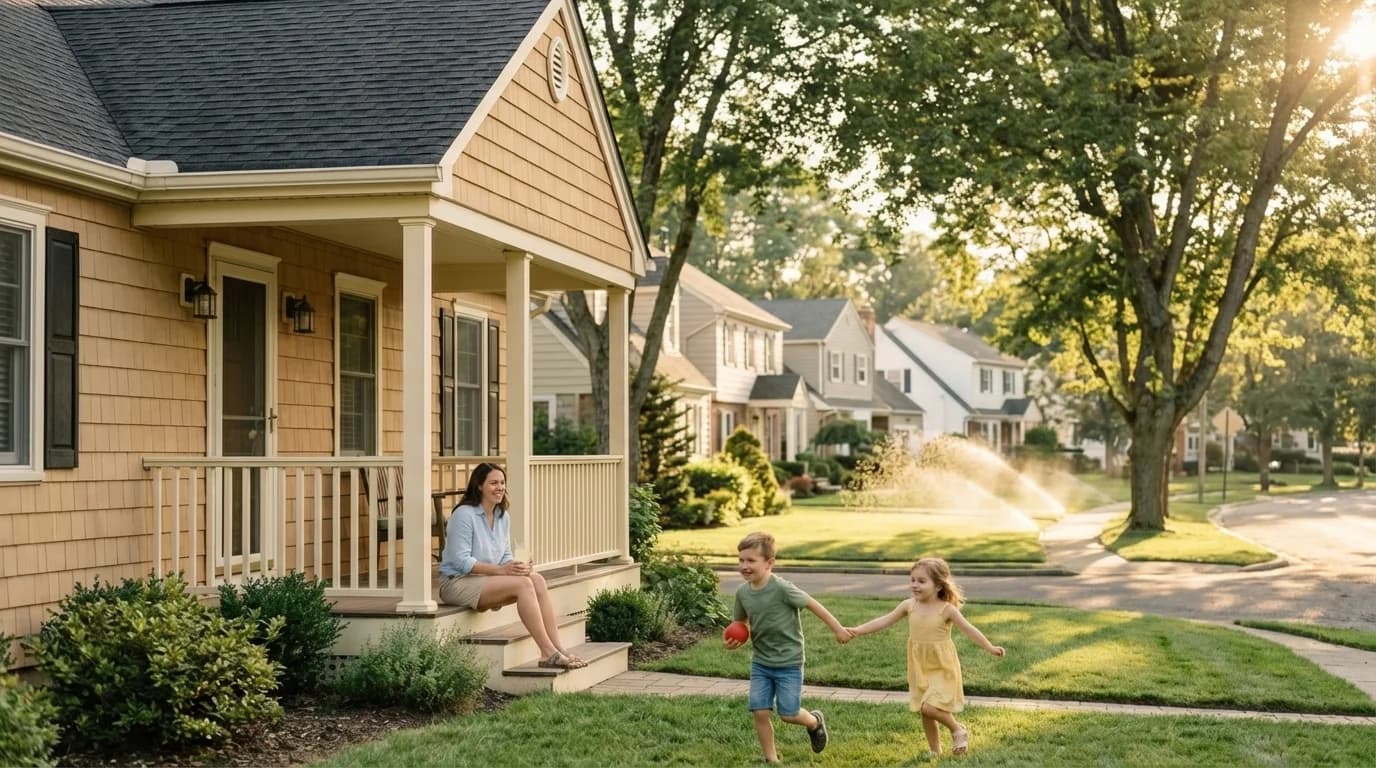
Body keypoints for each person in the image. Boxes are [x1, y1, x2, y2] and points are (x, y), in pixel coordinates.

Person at [846, 556, 1005, 758]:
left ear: (938, 585)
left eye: (921, 581)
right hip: (919, 664)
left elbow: (969, 630)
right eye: (912, 580)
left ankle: (957, 729)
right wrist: (857, 631)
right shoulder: (909, 606)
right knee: (925, 709)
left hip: (941, 665)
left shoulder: (947, 610)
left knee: (931, 707)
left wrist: (990, 647)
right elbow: (883, 621)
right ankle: (934, 749)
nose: (915, 585)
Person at [438, 462, 586, 669]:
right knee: (524, 585)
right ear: (479, 486)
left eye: (502, 483)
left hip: (487, 580)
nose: (499, 487)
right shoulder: (464, 515)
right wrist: (503, 570)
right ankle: (547, 653)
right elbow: (460, 562)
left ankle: (558, 648)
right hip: (457, 583)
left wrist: (519, 566)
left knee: (536, 579)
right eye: (493, 483)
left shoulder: (501, 515)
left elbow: (505, 556)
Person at [725, 531, 851, 764]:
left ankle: (814, 721)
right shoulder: (743, 593)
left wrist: (838, 629)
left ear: (769, 563)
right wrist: (735, 639)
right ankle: (771, 759)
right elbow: (741, 623)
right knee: (760, 711)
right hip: (761, 662)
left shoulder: (782, 589)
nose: (744, 566)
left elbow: (813, 604)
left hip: (789, 662)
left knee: (789, 714)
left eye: (751, 560)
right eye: (741, 560)